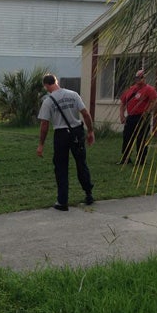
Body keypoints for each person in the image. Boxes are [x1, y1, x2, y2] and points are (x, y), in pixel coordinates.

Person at [36, 74, 95, 211]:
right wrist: (90, 131)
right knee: (81, 163)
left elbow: (44, 124)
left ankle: (62, 201)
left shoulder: (48, 101)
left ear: (46, 85)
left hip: (61, 134)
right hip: (77, 133)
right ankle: (88, 194)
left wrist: (41, 144)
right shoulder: (73, 95)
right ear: (56, 82)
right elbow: (85, 114)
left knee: (61, 167)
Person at [117, 69, 157, 165]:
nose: (139, 80)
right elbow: (123, 103)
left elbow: (155, 101)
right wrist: (122, 115)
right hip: (131, 116)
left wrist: (147, 111)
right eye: (137, 78)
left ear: (144, 78)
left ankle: (141, 160)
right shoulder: (130, 89)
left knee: (141, 138)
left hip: (142, 117)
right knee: (127, 137)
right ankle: (125, 158)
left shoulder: (149, 89)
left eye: (141, 77)